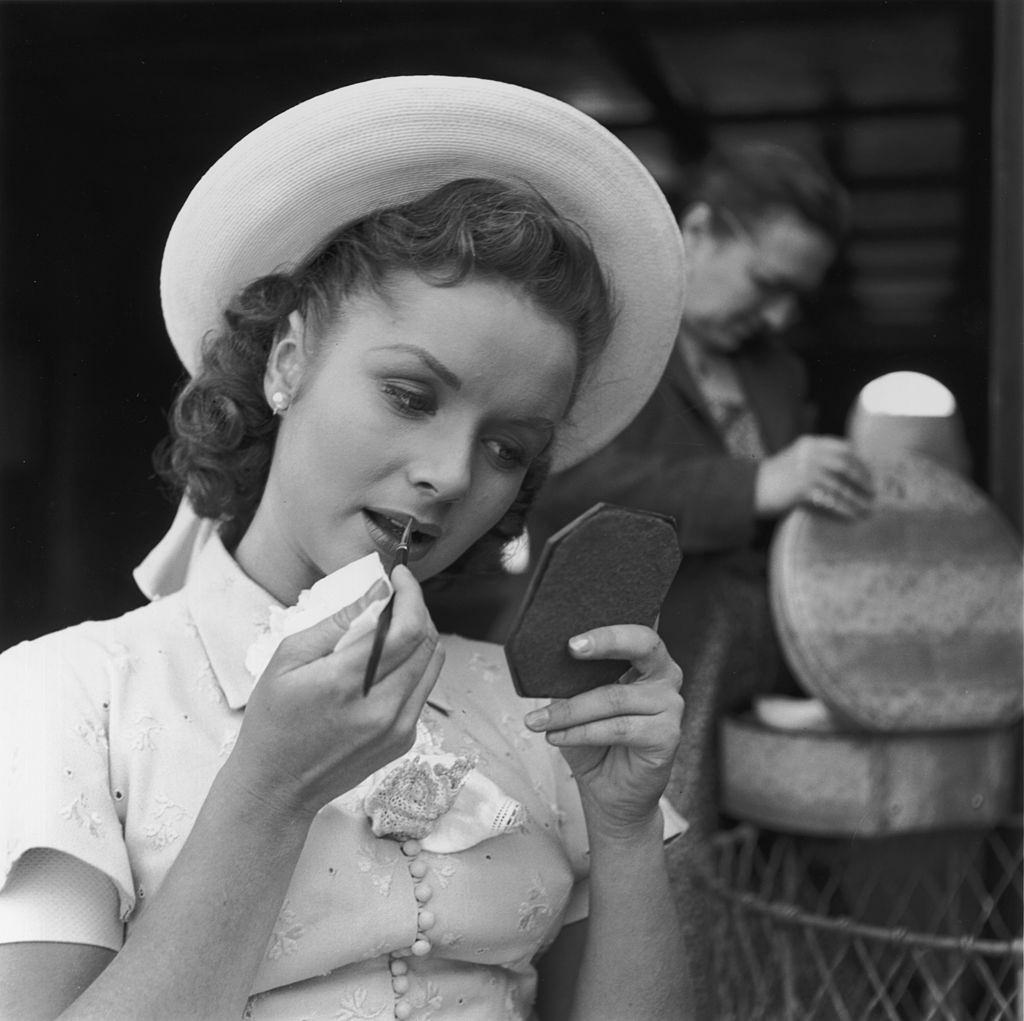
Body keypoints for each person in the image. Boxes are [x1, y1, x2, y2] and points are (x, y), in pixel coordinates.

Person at [0, 77, 692, 1020]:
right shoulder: (70, 694)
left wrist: (622, 827)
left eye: (507, 448)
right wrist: (270, 789)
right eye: (410, 396)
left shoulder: (540, 722)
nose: (450, 473)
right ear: (287, 360)